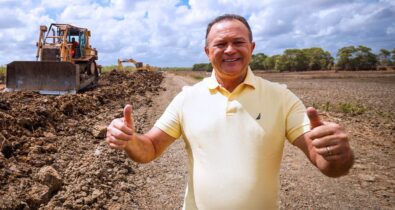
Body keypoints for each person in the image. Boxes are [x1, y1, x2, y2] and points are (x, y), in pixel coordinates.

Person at [106, 14, 354, 210]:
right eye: (220, 44)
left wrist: (337, 156)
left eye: (238, 42)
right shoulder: (187, 98)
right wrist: (130, 140)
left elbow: (328, 165)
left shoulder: (282, 98)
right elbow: (150, 148)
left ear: (252, 47)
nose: (230, 50)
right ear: (207, 52)